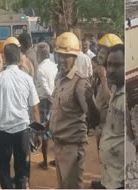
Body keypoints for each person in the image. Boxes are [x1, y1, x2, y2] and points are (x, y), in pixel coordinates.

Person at [0, 43, 41, 189]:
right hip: (23, 130)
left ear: (4, 57)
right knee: (22, 168)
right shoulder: (27, 79)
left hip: (4, 132)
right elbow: (35, 108)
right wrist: (39, 133)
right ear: (19, 58)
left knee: (3, 168)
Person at [49, 32, 98, 189]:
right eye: (59, 55)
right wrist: (48, 123)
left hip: (72, 148)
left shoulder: (80, 83)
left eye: (66, 56)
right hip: (59, 146)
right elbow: (58, 108)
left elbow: (94, 119)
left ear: (75, 58)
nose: (62, 60)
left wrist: (91, 101)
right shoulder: (59, 78)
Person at [92, 44, 125, 189]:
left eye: (117, 65)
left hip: (119, 180)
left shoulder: (125, 98)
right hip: (110, 175)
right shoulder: (116, 88)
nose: (111, 69)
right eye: (109, 64)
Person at [35, 42, 58, 170]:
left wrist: (51, 100)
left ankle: (44, 161)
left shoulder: (40, 68)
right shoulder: (54, 66)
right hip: (54, 99)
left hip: (45, 101)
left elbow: (45, 88)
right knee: (53, 130)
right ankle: (55, 158)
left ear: (40, 54)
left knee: (44, 130)